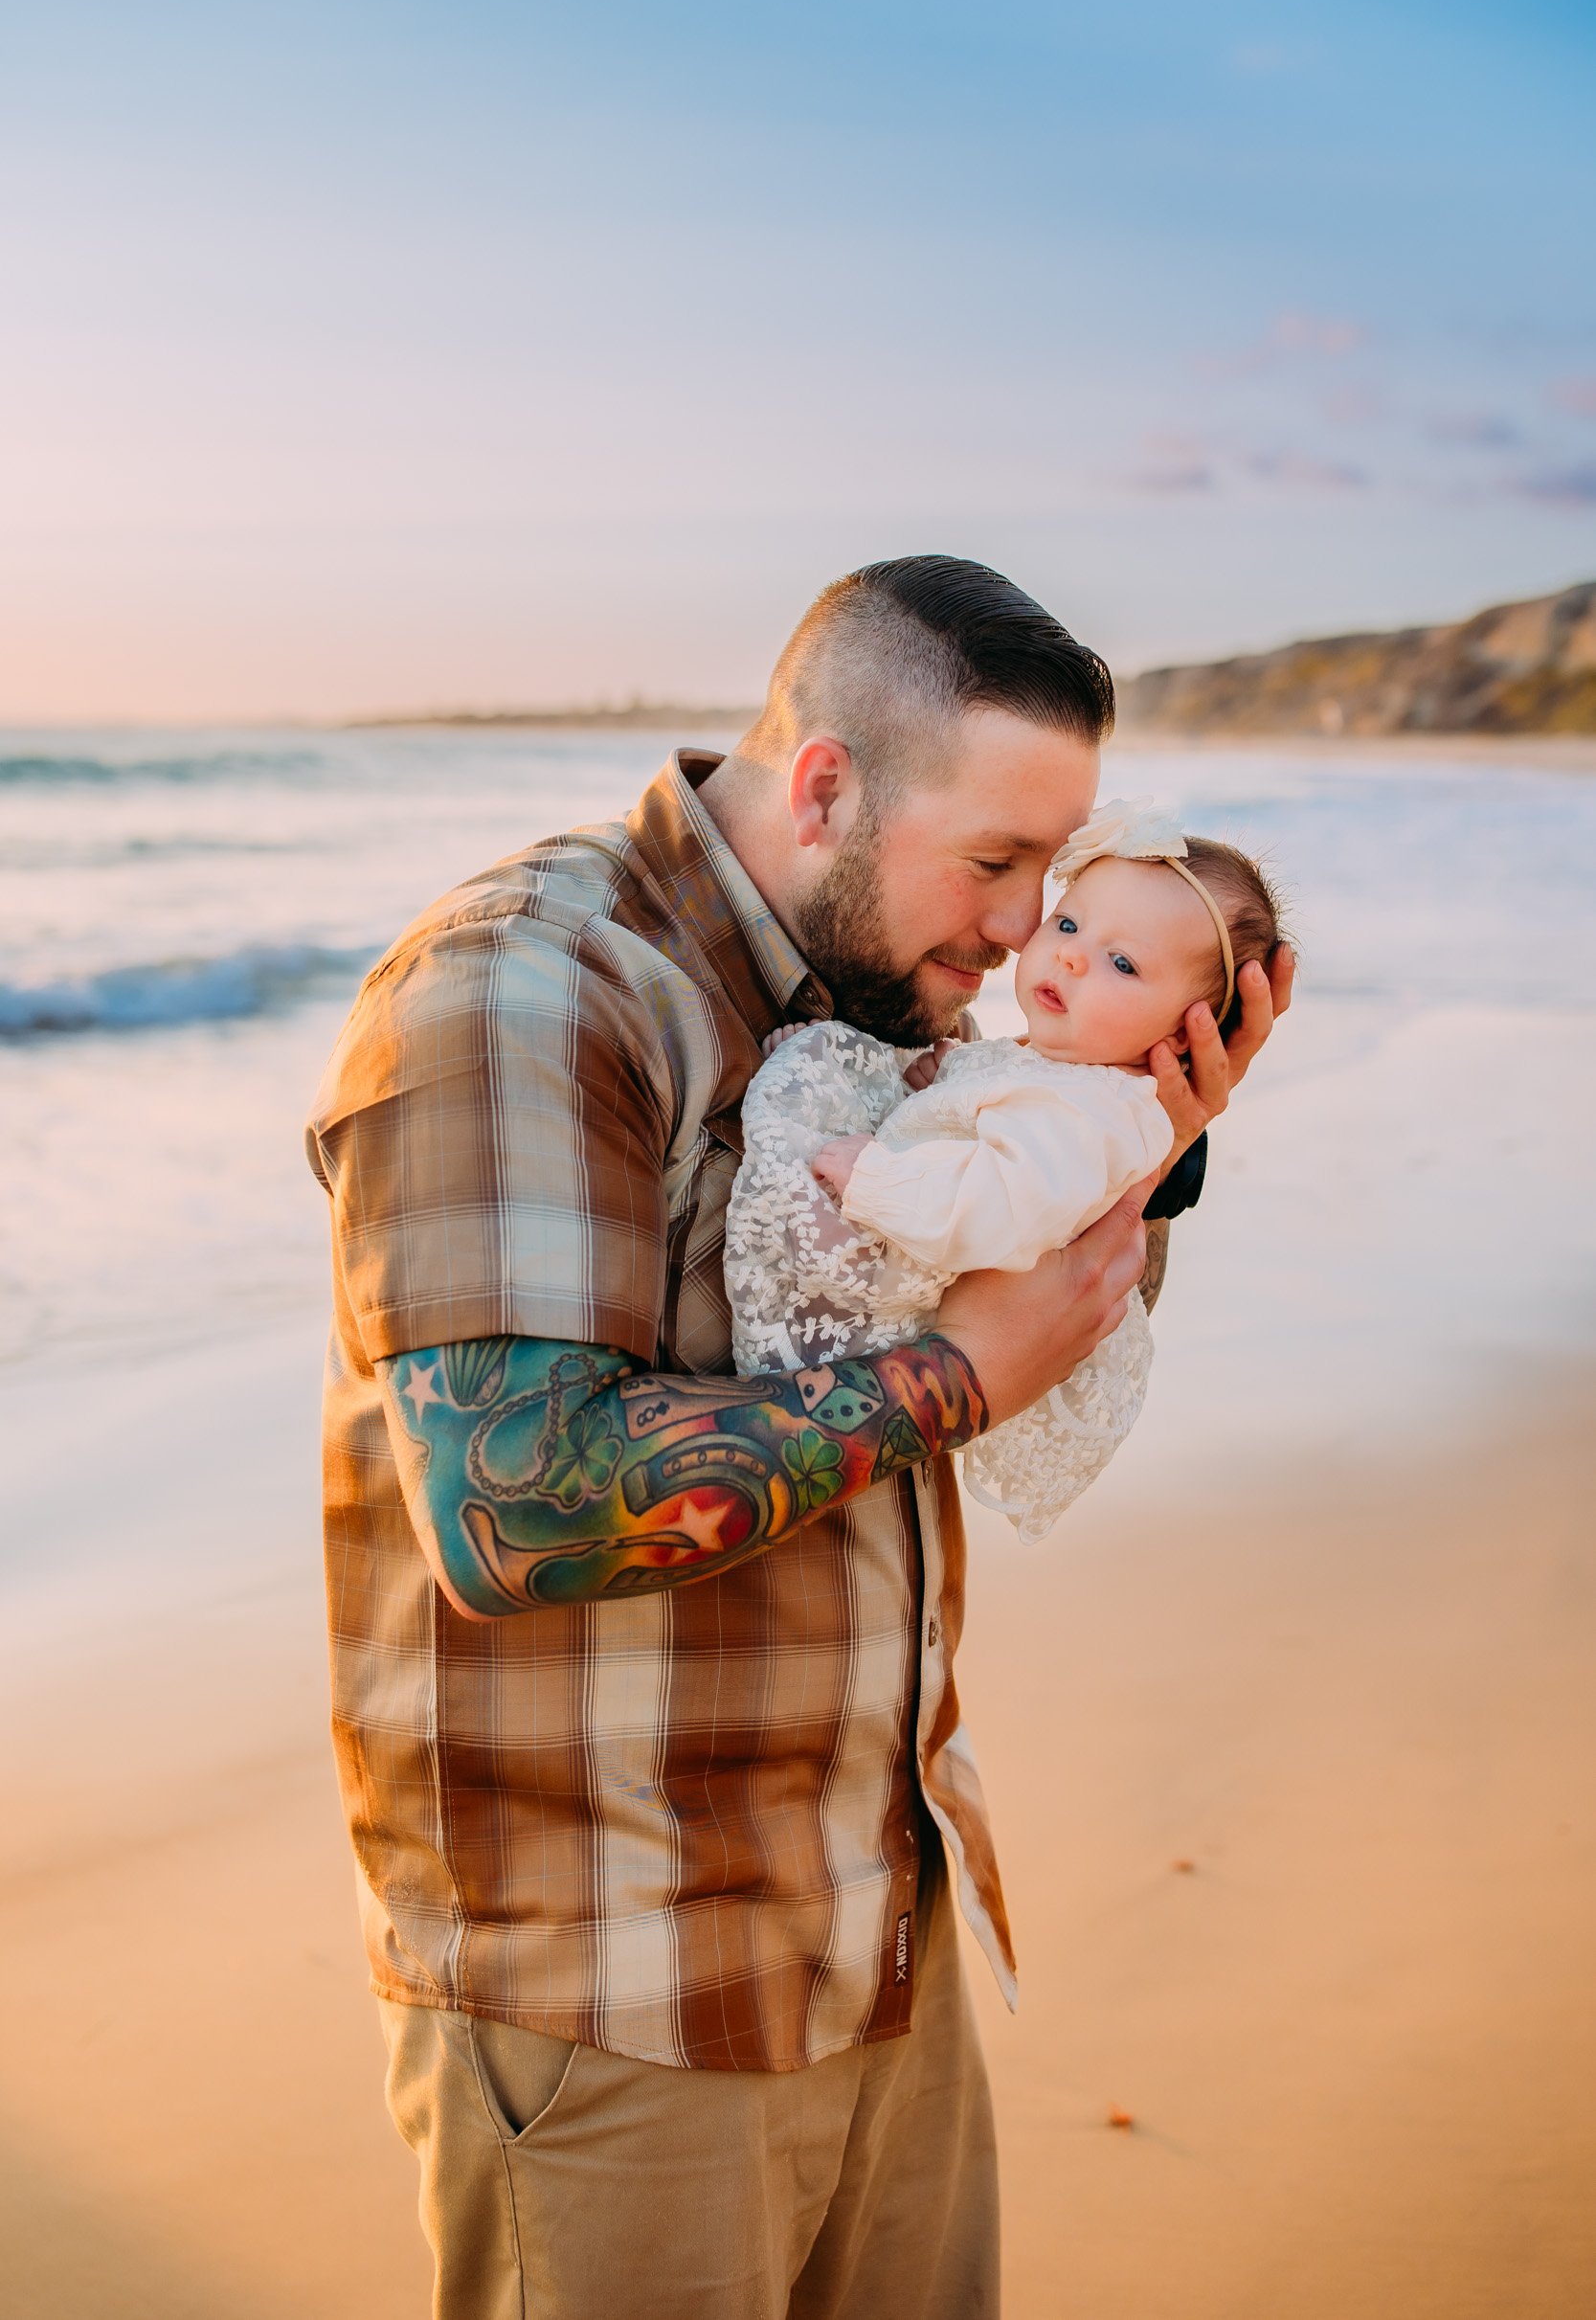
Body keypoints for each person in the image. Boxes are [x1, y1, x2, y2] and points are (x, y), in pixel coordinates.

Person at [304, 555, 1293, 2320]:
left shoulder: (880, 987)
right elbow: (512, 1511)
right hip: (616, 1996)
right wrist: (957, 1375)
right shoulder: (525, 992)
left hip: (879, 1931)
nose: (1016, 933)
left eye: (1047, 880)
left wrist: (1144, 1143)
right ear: (826, 783)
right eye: (992, 866)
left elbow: (1014, 1299)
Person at [726, 801, 1288, 1537]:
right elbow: (990, 1111)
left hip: (935, 1263)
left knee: (812, 1219)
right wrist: (942, 1085)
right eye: (1068, 923)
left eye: (1122, 963)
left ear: (1188, 1030)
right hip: (939, 1242)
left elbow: (998, 1210)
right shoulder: (1058, 1066)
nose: (1071, 956)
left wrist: (874, 1178)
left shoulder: (1087, 1116)